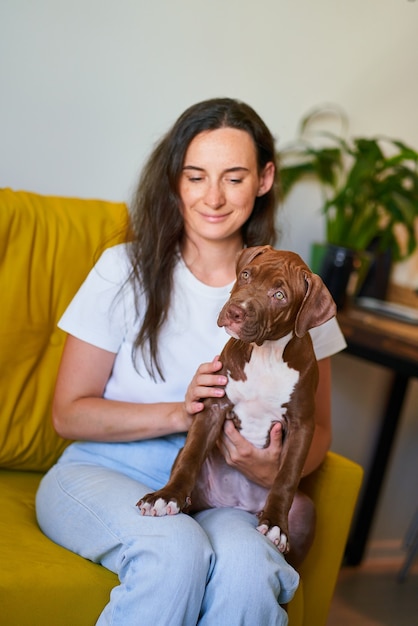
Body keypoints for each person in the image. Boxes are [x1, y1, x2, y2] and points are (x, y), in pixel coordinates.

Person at [36, 97, 346, 626]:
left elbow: (315, 432)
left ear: (265, 179)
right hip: (107, 469)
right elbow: (68, 414)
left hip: (229, 490)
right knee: (175, 549)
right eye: (196, 175)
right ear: (175, 179)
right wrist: (183, 413)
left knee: (251, 571)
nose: (213, 197)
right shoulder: (123, 270)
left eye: (234, 177)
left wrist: (268, 468)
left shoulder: (295, 294)